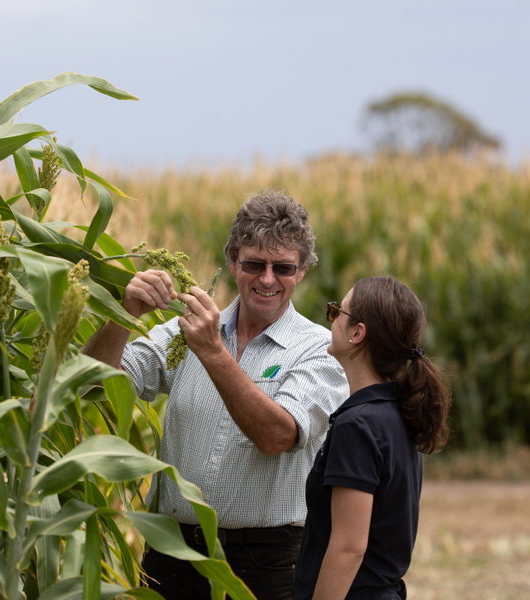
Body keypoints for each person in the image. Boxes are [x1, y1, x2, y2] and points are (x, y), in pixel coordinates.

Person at [83, 188, 349, 599]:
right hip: (172, 555)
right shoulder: (183, 333)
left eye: (283, 267)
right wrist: (125, 313)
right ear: (232, 262)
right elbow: (93, 386)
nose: (267, 279)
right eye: (254, 264)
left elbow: (278, 435)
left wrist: (212, 352)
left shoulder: (320, 349)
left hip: (266, 566)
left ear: (301, 272)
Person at [294, 276, 451, 600]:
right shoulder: (395, 413)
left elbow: (349, 548)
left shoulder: (358, 425)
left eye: (338, 311)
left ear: (357, 333)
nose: (332, 318)